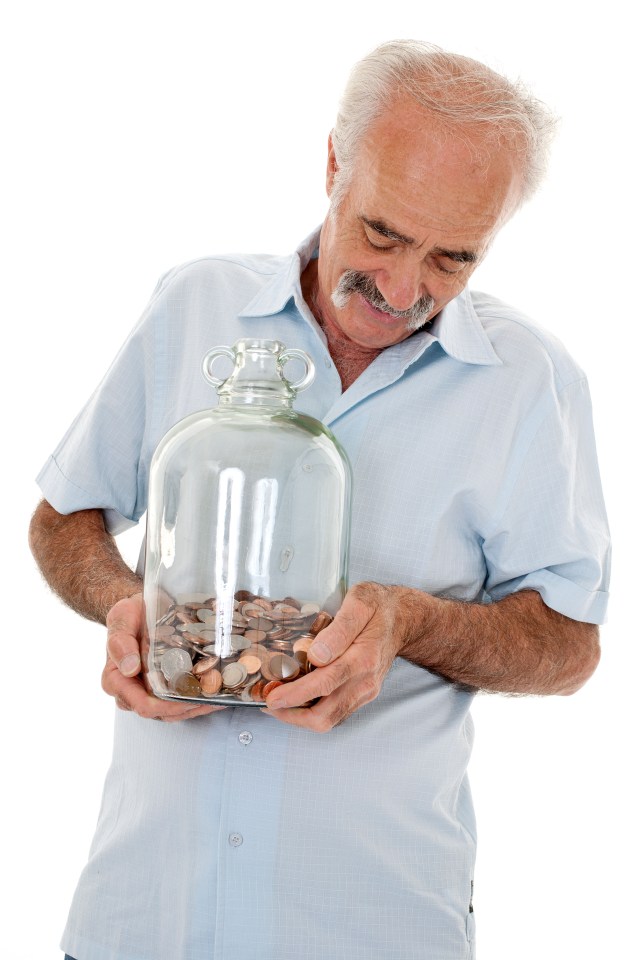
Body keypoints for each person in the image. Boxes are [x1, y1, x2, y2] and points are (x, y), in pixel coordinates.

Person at [29, 39, 610, 960]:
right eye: (382, 232)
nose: (402, 288)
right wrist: (124, 607)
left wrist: (409, 621)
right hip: (141, 918)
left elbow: (570, 647)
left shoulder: (528, 382)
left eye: (453, 258)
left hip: (371, 926)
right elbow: (67, 515)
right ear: (334, 162)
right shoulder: (194, 304)